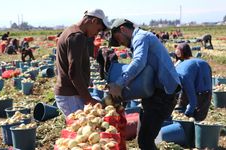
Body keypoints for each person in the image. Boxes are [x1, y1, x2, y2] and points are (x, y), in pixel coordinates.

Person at [108, 18, 181, 150]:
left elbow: (138, 63)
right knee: (143, 138)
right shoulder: (139, 39)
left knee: (145, 140)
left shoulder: (141, 37)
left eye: (119, 39)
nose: (121, 43)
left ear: (123, 29)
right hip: (155, 94)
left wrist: (119, 84)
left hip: (164, 94)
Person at [54, 9, 110, 116]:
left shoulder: (71, 31)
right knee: (80, 129)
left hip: (70, 93)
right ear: (93, 21)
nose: (96, 34)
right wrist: (89, 100)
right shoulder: (77, 36)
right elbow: (74, 72)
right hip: (70, 95)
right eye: (98, 30)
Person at [174, 43, 212, 121]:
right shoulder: (180, 68)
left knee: (197, 118)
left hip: (203, 92)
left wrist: (187, 114)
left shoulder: (182, 76)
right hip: (204, 88)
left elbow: (193, 100)